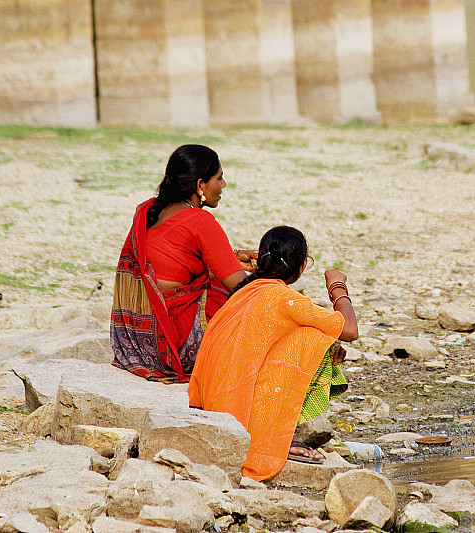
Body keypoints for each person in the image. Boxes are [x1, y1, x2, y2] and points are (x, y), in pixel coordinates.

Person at [188, 225, 358, 481]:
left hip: (213, 405)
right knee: (316, 338)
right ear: (302, 266)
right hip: (237, 415)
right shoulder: (283, 298)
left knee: (317, 336)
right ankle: (274, 436)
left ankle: (279, 430)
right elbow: (350, 330)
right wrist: (337, 286)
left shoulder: (245, 291)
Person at [110, 144, 256, 383]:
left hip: (135, 345)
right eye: (219, 178)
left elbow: (173, 262)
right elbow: (243, 291)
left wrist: (232, 257)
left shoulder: (148, 210)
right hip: (174, 347)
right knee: (253, 300)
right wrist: (275, 275)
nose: (223, 185)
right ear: (200, 185)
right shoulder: (200, 221)